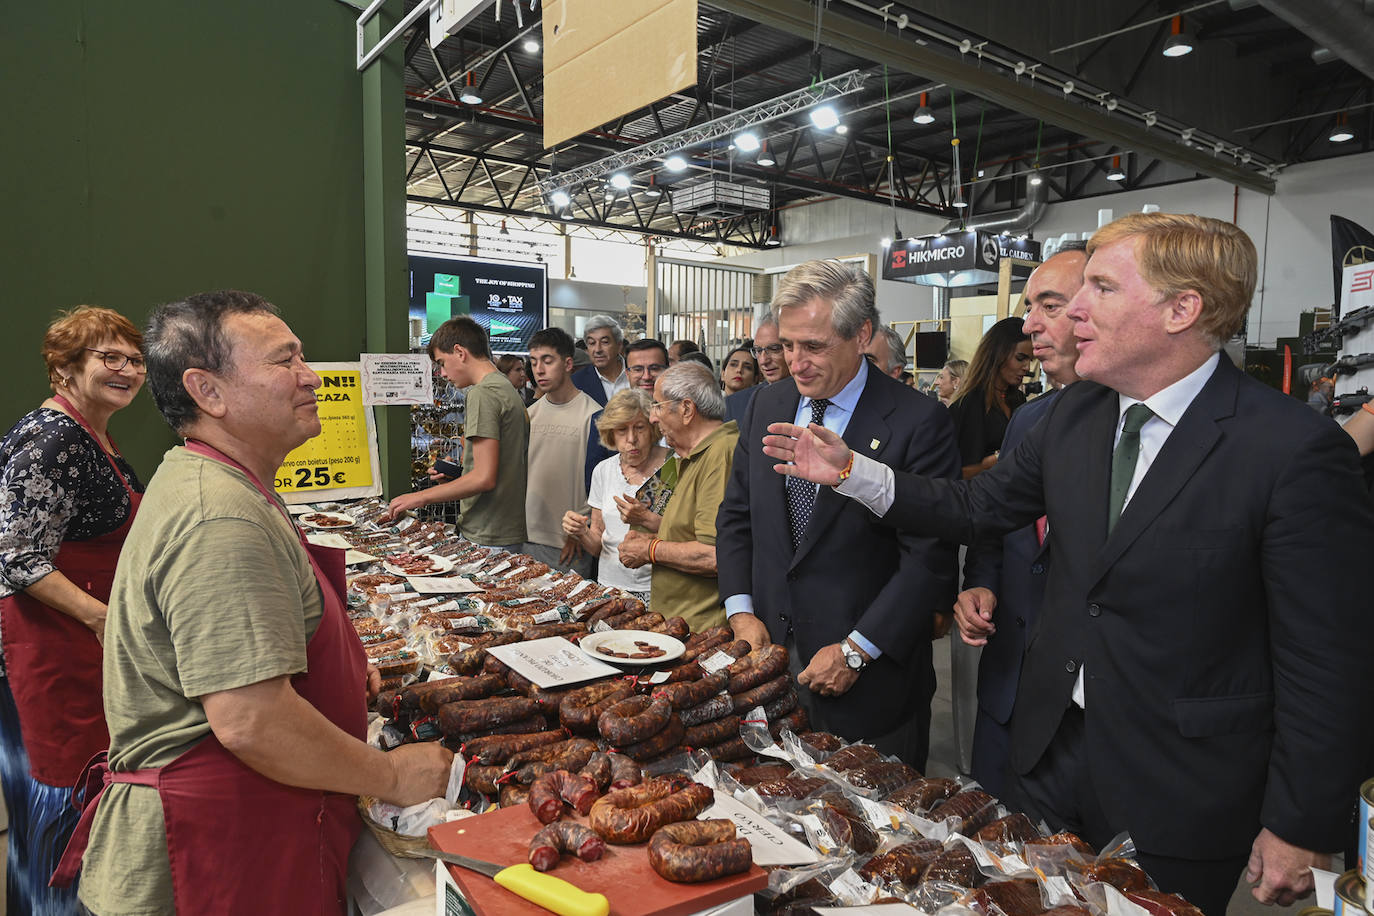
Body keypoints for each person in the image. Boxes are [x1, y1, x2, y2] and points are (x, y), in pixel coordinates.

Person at [762, 214, 1374, 916]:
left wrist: (1302, 820)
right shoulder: (1074, 415)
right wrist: (853, 473)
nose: (1071, 311)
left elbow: (1328, 658)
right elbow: (974, 508)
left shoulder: (1291, 449)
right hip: (1048, 756)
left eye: (1100, 289)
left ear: (1182, 309)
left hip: (1181, 783)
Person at [62, 290, 452, 916]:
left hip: (246, 829)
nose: (310, 376)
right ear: (207, 391)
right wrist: (395, 777)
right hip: (215, 853)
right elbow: (251, 721)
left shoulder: (220, 481)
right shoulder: (219, 516)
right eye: (285, 361)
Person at [716, 260, 960, 768]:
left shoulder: (919, 422)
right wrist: (741, 610)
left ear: (862, 334)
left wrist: (857, 650)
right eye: (787, 345)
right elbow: (738, 516)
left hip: (869, 683)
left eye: (814, 346)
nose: (796, 362)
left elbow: (928, 558)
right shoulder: (765, 404)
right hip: (770, 668)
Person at [0, 307, 146, 914]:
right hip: (48, 653)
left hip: (74, 649)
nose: (126, 370)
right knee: (59, 812)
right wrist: (102, 619)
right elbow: (15, 555)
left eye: (134, 359)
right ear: (64, 369)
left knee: (55, 817)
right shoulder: (53, 439)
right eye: (108, 358)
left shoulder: (93, 433)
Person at [954, 243, 1088, 798]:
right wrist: (978, 579)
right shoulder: (1029, 419)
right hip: (1008, 686)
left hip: (1093, 712)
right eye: (1030, 306)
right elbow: (994, 520)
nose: (1030, 325)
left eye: (1049, 306)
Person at [384, 317, 529, 549]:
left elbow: (484, 478)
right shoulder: (505, 389)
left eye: (442, 362)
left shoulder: (483, 394)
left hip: (487, 530)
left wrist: (419, 497)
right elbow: (497, 468)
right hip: (503, 528)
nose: (442, 373)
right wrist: (459, 476)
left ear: (460, 352)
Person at [619, 363, 737, 632]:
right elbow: (688, 530)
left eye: (658, 406)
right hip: (677, 621)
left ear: (686, 409)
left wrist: (650, 549)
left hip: (702, 629)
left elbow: (714, 555)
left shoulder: (720, 453)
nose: (652, 418)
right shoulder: (685, 457)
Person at [561, 390, 671, 603]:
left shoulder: (672, 467)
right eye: (622, 430)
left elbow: (689, 533)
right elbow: (598, 545)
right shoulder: (603, 470)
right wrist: (581, 531)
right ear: (611, 434)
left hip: (658, 589)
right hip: (610, 587)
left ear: (653, 428)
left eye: (639, 428)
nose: (632, 439)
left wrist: (648, 520)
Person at [522, 328, 602, 576]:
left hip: (570, 545)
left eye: (548, 360)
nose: (539, 370)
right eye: (534, 362)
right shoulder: (528, 414)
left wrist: (581, 531)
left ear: (568, 363)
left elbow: (600, 486)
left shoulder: (594, 415)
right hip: (525, 538)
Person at [948, 318, 1032, 478]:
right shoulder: (969, 403)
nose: (1027, 367)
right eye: (1020, 358)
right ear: (998, 354)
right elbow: (958, 472)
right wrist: (997, 460)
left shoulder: (1018, 399)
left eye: (1030, 360)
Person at [726, 316, 789, 422]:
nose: (764, 360)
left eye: (774, 349)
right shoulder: (736, 404)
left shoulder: (814, 399)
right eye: (758, 350)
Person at [571, 315, 628, 406]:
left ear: (619, 346)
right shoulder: (576, 382)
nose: (597, 350)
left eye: (605, 342)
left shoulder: (638, 373)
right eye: (592, 343)